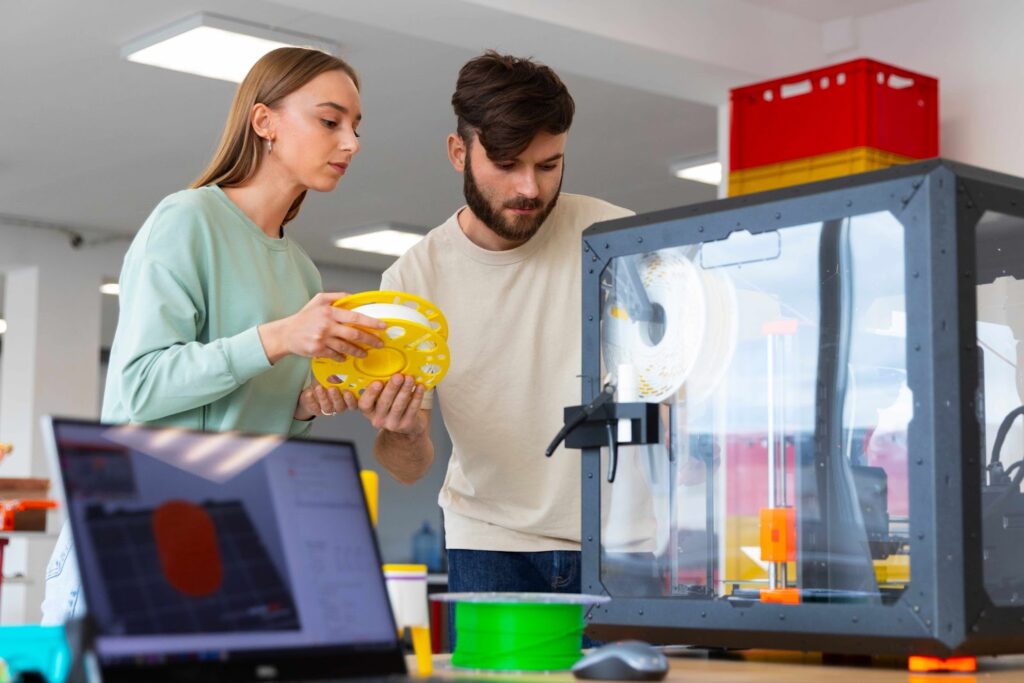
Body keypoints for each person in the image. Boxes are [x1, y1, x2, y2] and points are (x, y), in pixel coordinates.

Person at [41, 47, 384, 623]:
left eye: (355, 127)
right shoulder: (186, 220)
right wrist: (276, 338)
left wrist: (302, 406)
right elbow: (143, 387)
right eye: (330, 121)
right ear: (264, 122)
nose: (350, 142)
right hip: (135, 530)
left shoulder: (302, 271)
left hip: (225, 539)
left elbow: (242, 415)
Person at [344, 51, 633, 597]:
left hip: (623, 542)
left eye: (548, 165)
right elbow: (406, 468)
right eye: (506, 164)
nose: (529, 188)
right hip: (489, 544)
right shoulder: (411, 279)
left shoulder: (616, 237)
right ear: (459, 151)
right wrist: (403, 431)